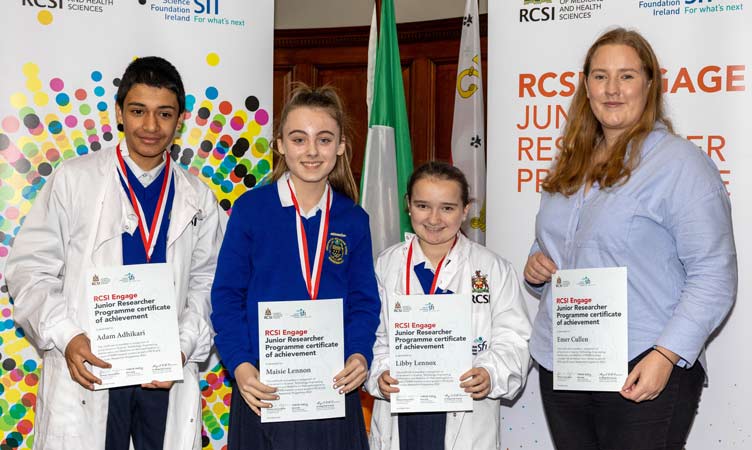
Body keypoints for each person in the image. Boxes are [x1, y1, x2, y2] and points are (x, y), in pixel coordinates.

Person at [522, 28, 737, 450]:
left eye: (626, 76)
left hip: (643, 362)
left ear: (651, 83)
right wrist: (536, 266)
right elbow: (557, 245)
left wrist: (666, 355)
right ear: (585, 86)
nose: (612, 90)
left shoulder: (681, 165)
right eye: (600, 77)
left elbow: (714, 273)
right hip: (567, 360)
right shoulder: (569, 162)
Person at [5, 56, 222, 450]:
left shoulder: (198, 198)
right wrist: (67, 337)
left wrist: (184, 344)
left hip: (161, 376)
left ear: (181, 119)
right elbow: (29, 270)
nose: (151, 126)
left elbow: (208, 282)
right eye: (138, 111)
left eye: (164, 114)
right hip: (91, 367)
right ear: (119, 113)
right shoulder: (74, 180)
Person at [210, 84, 381, 450]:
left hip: (332, 387)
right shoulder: (251, 210)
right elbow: (226, 297)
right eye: (299, 139)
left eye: (324, 139)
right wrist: (240, 364)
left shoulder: (353, 220)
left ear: (340, 146)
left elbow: (365, 301)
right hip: (264, 387)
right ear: (280, 145)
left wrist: (358, 353)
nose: (312, 151)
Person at [366, 161, 532, 450]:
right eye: (422, 206)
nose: (434, 219)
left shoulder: (492, 268)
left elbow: (515, 338)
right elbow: (372, 337)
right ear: (408, 205)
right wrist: (380, 373)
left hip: (465, 407)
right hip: (403, 408)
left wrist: (490, 374)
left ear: (465, 209)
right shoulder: (386, 265)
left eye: (447, 207)